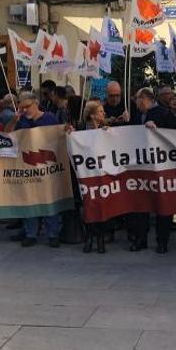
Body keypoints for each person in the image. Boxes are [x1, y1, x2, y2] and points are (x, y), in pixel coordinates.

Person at [6, 91, 61, 247]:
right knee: (29, 198)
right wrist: (13, 121)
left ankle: (53, 234)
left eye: (26, 107)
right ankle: (31, 233)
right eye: (21, 108)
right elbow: (7, 133)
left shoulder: (49, 118)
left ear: (35, 103)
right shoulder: (21, 119)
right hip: (27, 166)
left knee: (49, 199)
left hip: (46, 167)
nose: (23, 110)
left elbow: (59, 136)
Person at [130, 87, 176, 254]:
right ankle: (140, 239)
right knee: (141, 205)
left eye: (137, 99)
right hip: (142, 165)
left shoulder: (163, 113)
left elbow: (174, 135)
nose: (136, 102)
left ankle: (162, 241)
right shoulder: (137, 115)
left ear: (144, 99)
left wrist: (157, 129)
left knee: (162, 204)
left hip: (160, 166)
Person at [76, 100, 111, 254]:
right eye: (101, 111)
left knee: (101, 205)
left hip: (101, 173)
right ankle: (90, 237)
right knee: (88, 206)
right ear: (92, 115)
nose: (104, 114)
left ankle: (100, 239)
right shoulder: (80, 129)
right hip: (86, 173)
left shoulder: (106, 130)